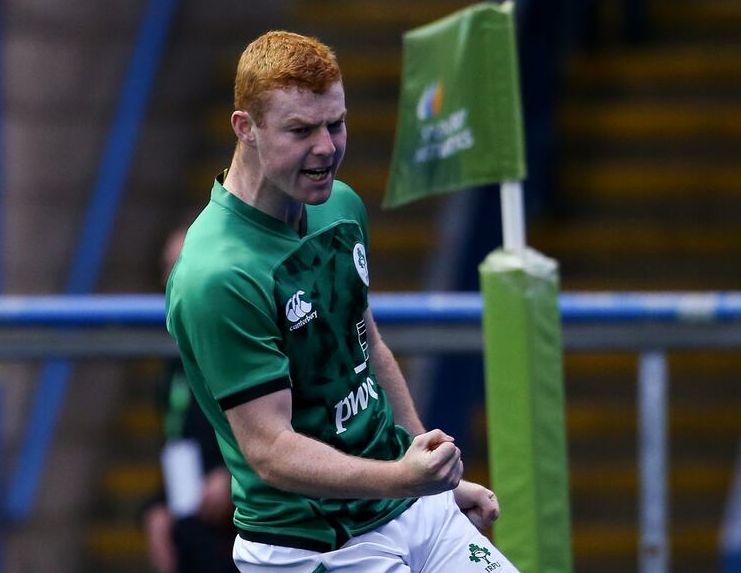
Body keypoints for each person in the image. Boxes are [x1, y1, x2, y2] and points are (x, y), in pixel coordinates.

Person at [165, 31, 519, 572]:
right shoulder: (217, 274)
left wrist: (427, 470)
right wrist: (404, 478)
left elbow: (366, 344)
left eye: (336, 123)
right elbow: (272, 453)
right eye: (301, 130)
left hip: (405, 503)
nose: (327, 147)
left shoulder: (341, 206)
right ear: (246, 128)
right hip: (313, 546)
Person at [141, 224, 237, 573]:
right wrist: (158, 507)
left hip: (246, 519)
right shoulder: (175, 359)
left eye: (182, 264)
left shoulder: (245, 342)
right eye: (167, 267)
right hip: (191, 517)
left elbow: (294, 428)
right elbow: (178, 439)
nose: (171, 280)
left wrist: (233, 477)